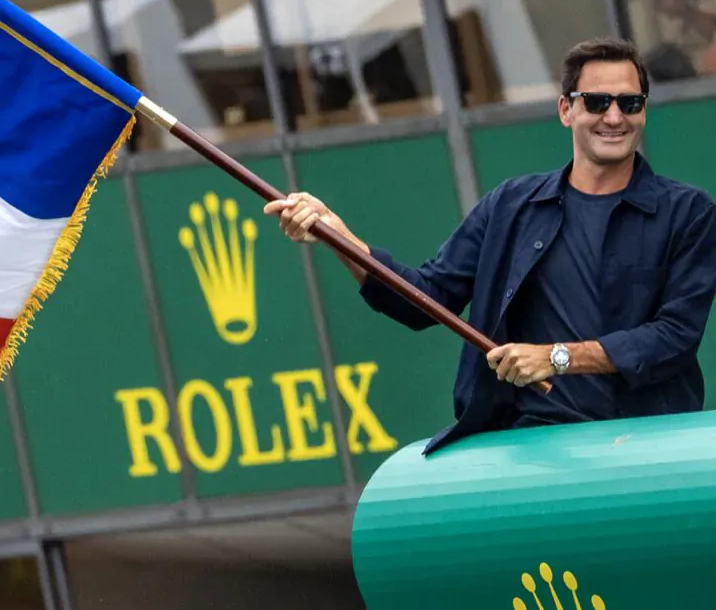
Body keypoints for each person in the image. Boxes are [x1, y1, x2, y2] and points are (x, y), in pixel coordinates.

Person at [266, 37, 716, 454]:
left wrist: (556, 357)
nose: (614, 117)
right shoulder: (511, 205)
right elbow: (425, 299)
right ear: (566, 109)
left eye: (630, 103)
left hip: (646, 447)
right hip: (532, 448)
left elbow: (674, 336)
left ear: (643, 110)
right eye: (597, 102)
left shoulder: (690, 213)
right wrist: (341, 240)